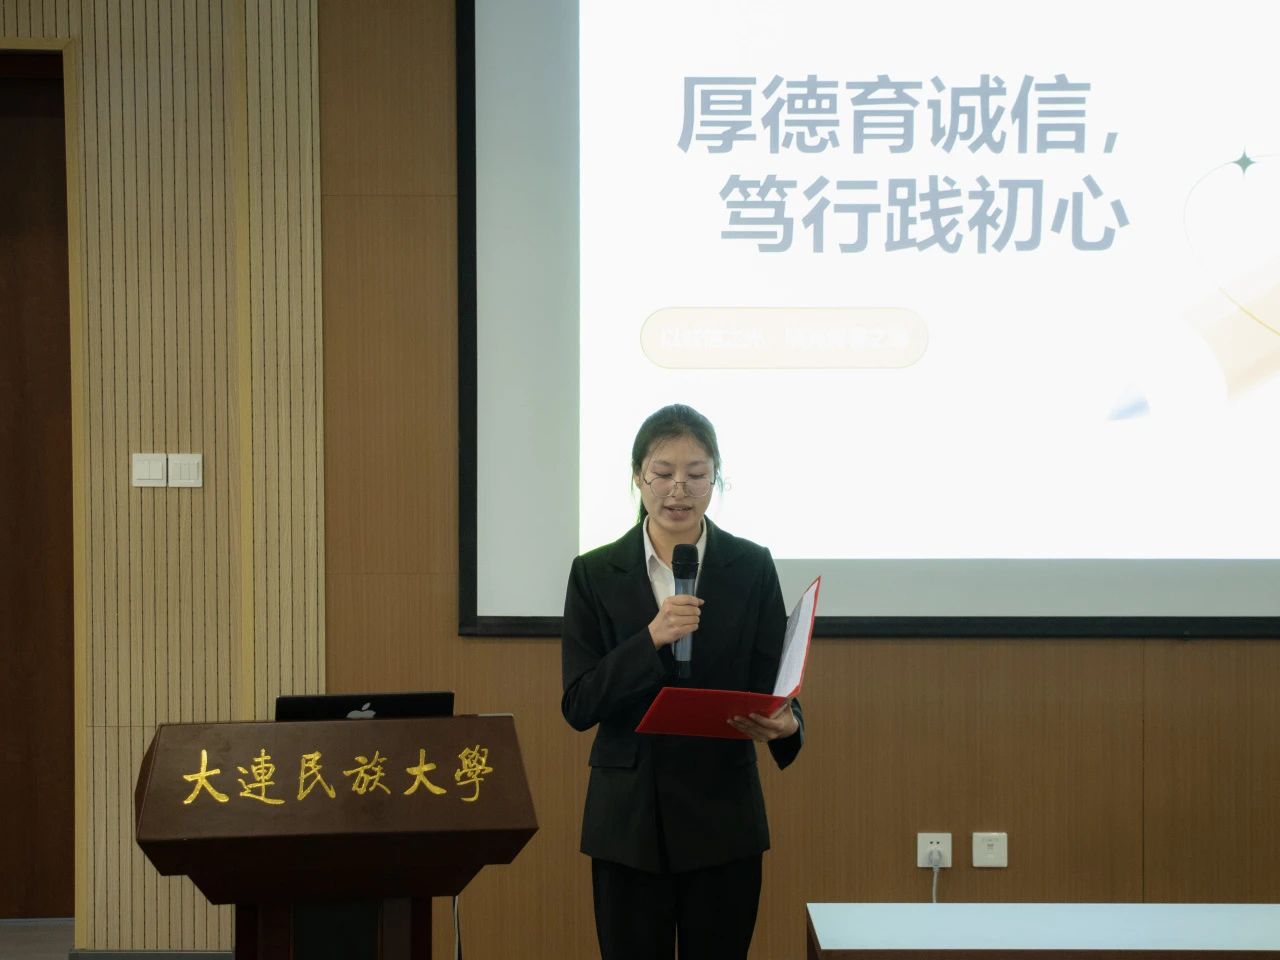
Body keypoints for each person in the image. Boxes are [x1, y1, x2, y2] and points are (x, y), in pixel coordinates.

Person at [561, 403, 804, 960]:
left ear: (715, 478)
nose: (679, 489)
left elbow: (775, 680)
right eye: (663, 472)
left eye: (696, 474)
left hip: (723, 815)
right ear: (637, 476)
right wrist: (650, 639)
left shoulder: (751, 566)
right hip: (628, 821)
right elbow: (579, 703)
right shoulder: (594, 572)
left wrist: (788, 722)